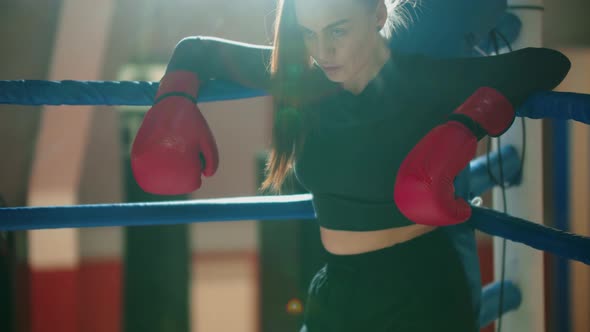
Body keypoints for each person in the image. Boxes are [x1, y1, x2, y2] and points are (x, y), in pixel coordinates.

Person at [130, 0, 571, 331]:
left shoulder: (424, 79)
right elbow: (198, 50)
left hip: (419, 291)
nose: (324, 50)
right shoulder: (303, 80)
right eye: (310, 33)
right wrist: (175, 95)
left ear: (377, 14)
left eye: (338, 31)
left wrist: (462, 127)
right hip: (336, 287)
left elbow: (546, 64)